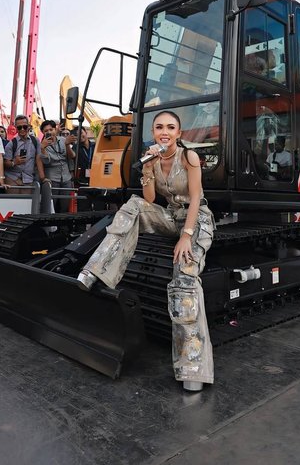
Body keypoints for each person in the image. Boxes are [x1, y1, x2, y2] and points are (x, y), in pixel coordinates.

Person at [77, 110, 215, 392]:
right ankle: (98, 270)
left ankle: (193, 366)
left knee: (184, 280)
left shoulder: (188, 157)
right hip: (169, 216)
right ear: (154, 133)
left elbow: (196, 198)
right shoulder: (152, 158)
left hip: (195, 220)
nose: (165, 131)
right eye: (159, 127)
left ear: (179, 133)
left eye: (171, 127)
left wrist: (186, 236)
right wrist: (148, 169)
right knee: (133, 205)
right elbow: (151, 199)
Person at [40, 119, 76, 212]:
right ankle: (52, 226)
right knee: (52, 206)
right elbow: (46, 162)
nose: (49, 132)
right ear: (43, 133)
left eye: (51, 130)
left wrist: (67, 145)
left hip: (66, 177)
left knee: (65, 206)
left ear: (55, 130)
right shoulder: (42, 145)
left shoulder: (63, 140)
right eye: (46, 131)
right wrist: (43, 149)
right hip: (52, 179)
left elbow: (72, 156)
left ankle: (63, 226)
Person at [4, 115, 45, 190]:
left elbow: (38, 159)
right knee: (12, 200)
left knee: (27, 201)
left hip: (28, 179)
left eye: (25, 127)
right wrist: (14, 162)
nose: (22, 129)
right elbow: (5, 162)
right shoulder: (11, 143)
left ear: (29, 126)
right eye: (19, 127)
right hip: (12, 178)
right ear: (16, 128)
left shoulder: (35, 141)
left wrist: (42, 178)